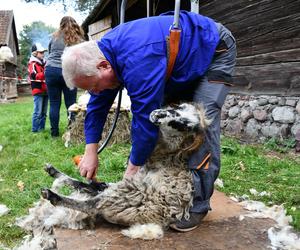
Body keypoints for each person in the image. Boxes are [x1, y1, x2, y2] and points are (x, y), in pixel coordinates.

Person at [62, 11, 236, 231]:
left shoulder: (137, 60)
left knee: (200, 125)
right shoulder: (102, 57)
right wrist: (90, 151)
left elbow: (144, 121)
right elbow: (96, 106)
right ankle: (168, 187)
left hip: (213, 49)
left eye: (94, 86)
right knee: (164, 125)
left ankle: (197, 205)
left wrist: (131, 173)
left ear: (104, 66)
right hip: (179, 60)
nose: (95, 92)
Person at [45, 16, 84, 137]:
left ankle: (54, 133)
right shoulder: (78, 39)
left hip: (51, 70)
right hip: (67, 71)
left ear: (61, 24)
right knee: (71, 103)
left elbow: (50, 52)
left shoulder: (54, 37)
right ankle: (72, 130)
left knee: (54, 103)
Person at [28, 43, 48, 133]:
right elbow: (34, 76)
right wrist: (45, 73)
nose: (43, 54)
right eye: (41, 52)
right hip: (38, 90)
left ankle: (42, 129)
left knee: (44, 113)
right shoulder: (33, 64)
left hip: (46, 90)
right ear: (35, 53)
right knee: (38, 112)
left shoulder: (44, 63)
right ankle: (35, 130)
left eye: (43, 52)